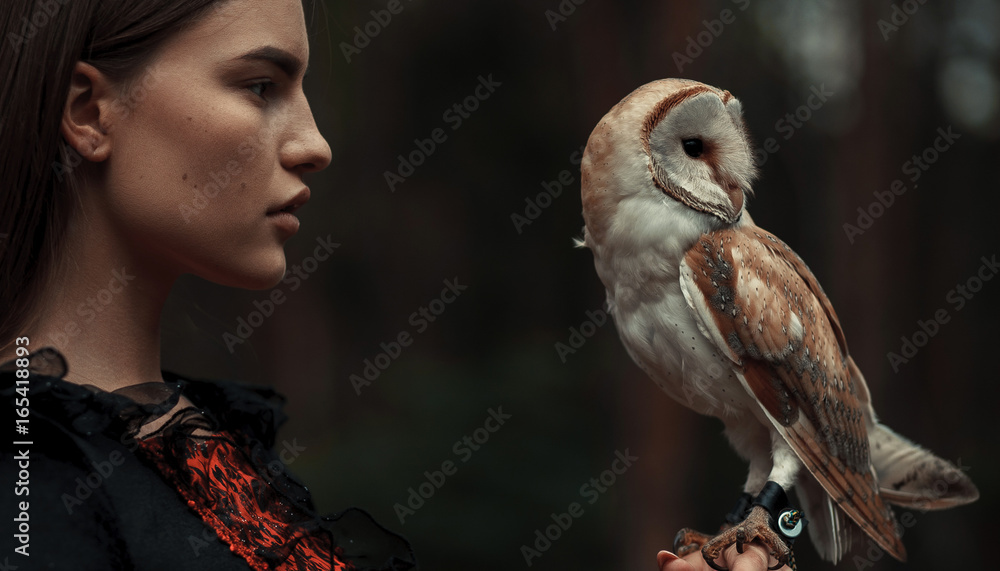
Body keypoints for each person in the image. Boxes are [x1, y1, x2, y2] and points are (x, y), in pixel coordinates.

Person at [0, 1, 416, 569]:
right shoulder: (29, 464)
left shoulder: (214, 441)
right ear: (90, 111)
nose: (315, 145)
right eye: (261, 86)